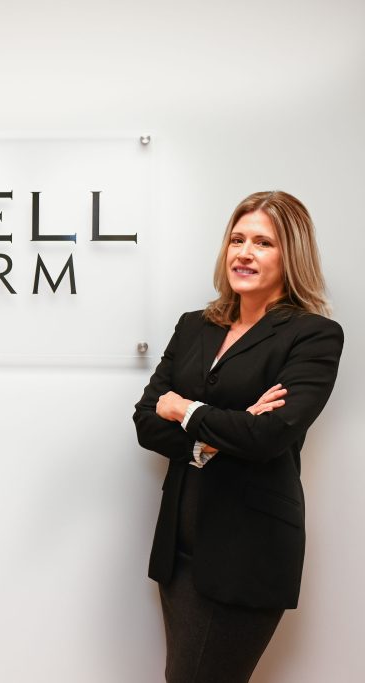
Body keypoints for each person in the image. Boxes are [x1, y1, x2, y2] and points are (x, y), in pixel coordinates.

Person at [133, 191, 343, 682]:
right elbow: (146, 420)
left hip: (248, 553)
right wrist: (217, 435)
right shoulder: (194, 327)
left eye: (263, 243)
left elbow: (267, 437)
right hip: (180, 550)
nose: (244, 253)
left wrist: (186, 409)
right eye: (237, 239)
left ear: (291, 255)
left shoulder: (313, 336)